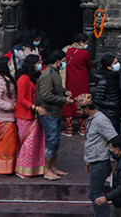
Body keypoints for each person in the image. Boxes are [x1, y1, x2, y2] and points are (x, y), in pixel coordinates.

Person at [79, 94, 119, 217]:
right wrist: (88, 160)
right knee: (95, 193)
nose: (78, 112)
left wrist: (114, 162)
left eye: (79, 109)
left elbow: (115, 139)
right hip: (94, 161)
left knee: (95, 194)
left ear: (86, 108)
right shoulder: (91, 120)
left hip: (101, 162)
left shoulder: (100, 120)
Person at [36, 49, 71, 180]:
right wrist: (64, 100)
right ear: (58, 61)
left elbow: (57, 89)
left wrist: (65, 92)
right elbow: (46, 95)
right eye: (63, 60)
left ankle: (54, 167)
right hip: (49, 111)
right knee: (51, 141)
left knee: (56, 140)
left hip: (56, 112)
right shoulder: (47, 75)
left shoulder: (55, 72)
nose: (65, 63)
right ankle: (47, 170)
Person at [15, 55, 46, 178]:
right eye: (38, 63)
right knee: (27, 143)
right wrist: (34, 107)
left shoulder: (33, 78)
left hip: (34, 114)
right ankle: (23, 169)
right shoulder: (23, 79)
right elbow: (21, 99)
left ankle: (34, 167)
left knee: (35, 143)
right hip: (25, 115)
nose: (40, 65)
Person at [0, 57, 18, 175]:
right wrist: (10, 107)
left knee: (9, 145)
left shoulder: (6, 78)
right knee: (3, 145)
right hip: (2, 117)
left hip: (8, 117)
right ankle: (0, 170)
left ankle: (7, 168)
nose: (12, 65)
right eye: (10, 63)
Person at [64, 33, 93, 135]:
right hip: (82, 81)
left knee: (69, 102)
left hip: (69, 80)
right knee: (83, 102)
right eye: (86, 43)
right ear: (81, 42)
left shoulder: (67, 51)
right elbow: (89, 66)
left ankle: (69, 128)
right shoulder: (84, 53)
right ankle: (83, 128)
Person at [92, 54, 121, 135]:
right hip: (109, 114)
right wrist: (113, 104)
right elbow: (97, 99)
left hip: (116, 113)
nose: (117, 64)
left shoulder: (115, 77)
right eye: (115, 63)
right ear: (109, 67)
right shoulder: (103, 81)